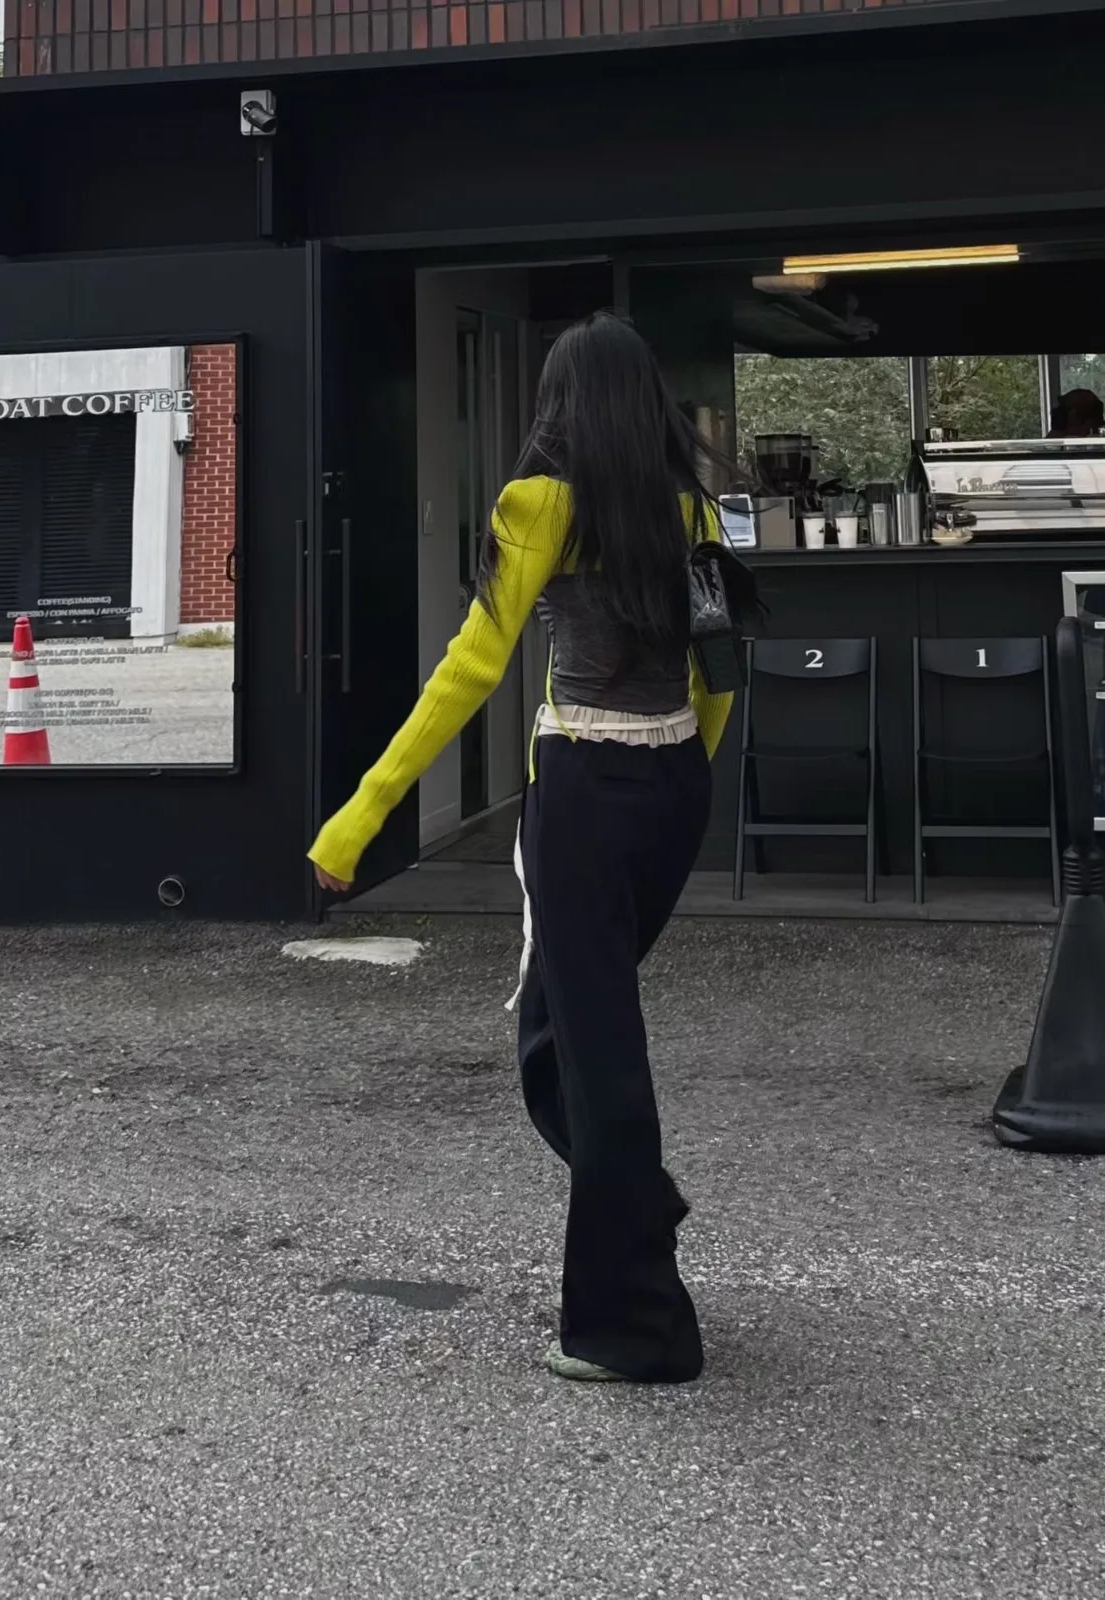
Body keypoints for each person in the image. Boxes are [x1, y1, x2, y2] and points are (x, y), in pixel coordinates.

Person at [308, 311, 737, 1385]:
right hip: (672, 790)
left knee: (595, 1052)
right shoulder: (694, 511)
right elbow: (721, 672)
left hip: (587, 793)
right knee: (557, 1036)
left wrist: (360, 816)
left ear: (560, 402)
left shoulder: (535, 502)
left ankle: (634, 1325)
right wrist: (681, 772)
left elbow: (471, 667)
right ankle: (635, 1197)